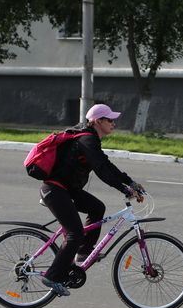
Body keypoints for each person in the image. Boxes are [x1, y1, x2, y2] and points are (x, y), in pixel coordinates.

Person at [38, 104, 144, 297]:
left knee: (97, 208)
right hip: (55, 190)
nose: (114, 123)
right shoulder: (87, 139)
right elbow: (101, 170)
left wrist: (130, 181)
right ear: (98, 121)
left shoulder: (90, 139)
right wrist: (124, 189)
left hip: (67, 189)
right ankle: (52, 277)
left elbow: (106, 165)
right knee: (75, 233)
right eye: (110, 120)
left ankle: (84, 252)